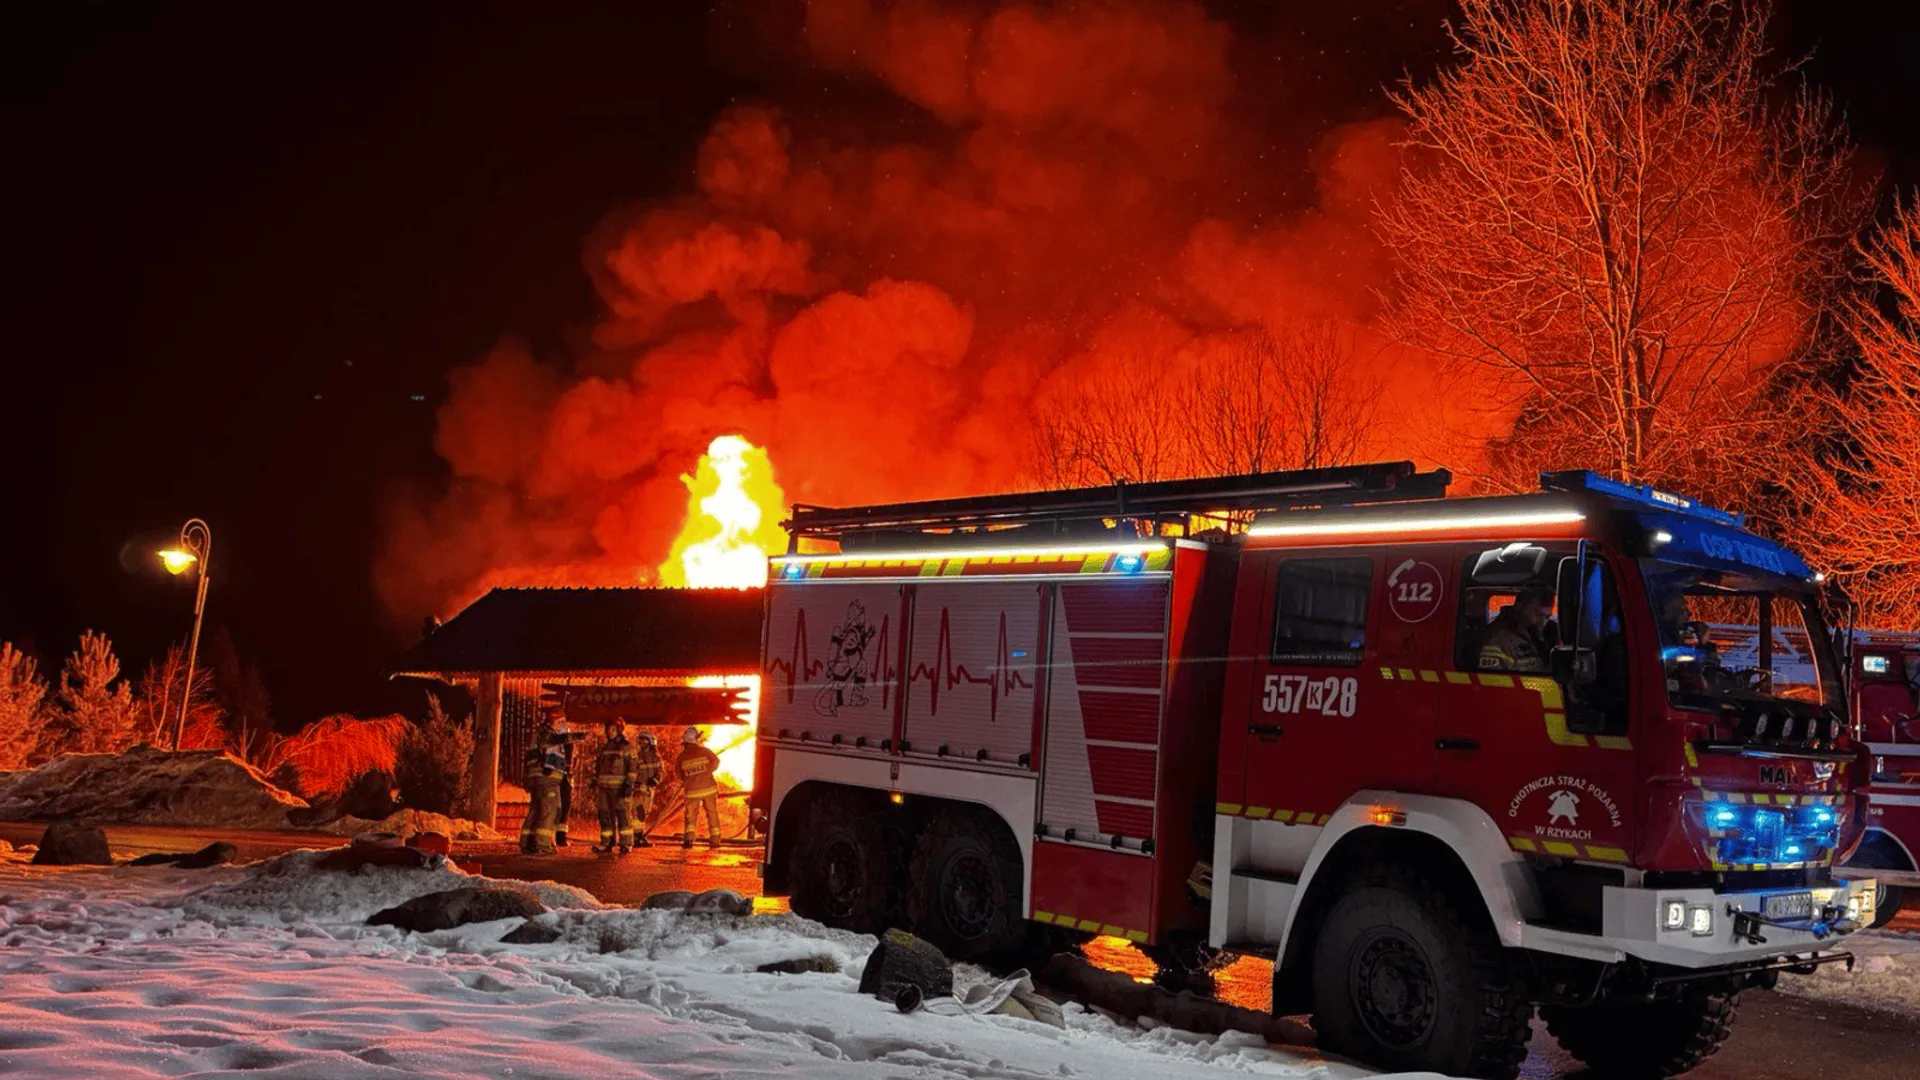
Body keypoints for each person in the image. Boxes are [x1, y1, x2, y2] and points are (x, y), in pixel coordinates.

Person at [519, 719, 568, 855]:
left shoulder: (539, 734)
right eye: (562, 722)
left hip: (536, 779)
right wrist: (549, 767)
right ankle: (542, 845)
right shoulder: (551, 736)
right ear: (556, 721)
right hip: (548, 781)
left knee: (536, 810)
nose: (564, 725)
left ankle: (526, 842)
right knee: (550, 811)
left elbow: (530, 757)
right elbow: (551, 755)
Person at [1479, 585, 1554, 672]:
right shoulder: (1498, 639)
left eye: (1547, 617)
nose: (1542, 623)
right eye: (1537, 614)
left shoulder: (1544, 632)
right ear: (1519, 607)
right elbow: (1491, 679)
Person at [593, 719, 639, 855]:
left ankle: (626, 843)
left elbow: (633, 767)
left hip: (619, 788)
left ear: (619, 730)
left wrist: (628, 784)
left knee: (623, 815)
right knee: (604, 814)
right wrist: (595, 780)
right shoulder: (604, 747)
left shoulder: (627, 747)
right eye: (608, 729)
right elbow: (599, 767)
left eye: (613, 729)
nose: (609, 732)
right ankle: (606, 842)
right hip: (603, 788)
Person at [678, 726, 723, 850]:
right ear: (695, 739)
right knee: (712, 814)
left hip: (692, 791)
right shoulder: (705, 751)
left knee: (690, 816)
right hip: (709, 789)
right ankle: (715, 840)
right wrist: (707, 772)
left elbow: (678, 773)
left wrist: (689, 779)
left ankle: (688, 839)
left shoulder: (681, 756)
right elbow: (716, 762)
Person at [631, 729, 663, 847]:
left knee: (644, 813)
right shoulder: (636, 756)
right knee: (638, 812)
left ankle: (638, 836)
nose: (642, 744)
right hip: (638, 789)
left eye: (645, 741)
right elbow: (631, 771)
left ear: (651, 742)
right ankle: (637, 836)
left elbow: (660, 772)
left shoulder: (656, 757)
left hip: (649, 790)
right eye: (641, 741)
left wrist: (655, 780)